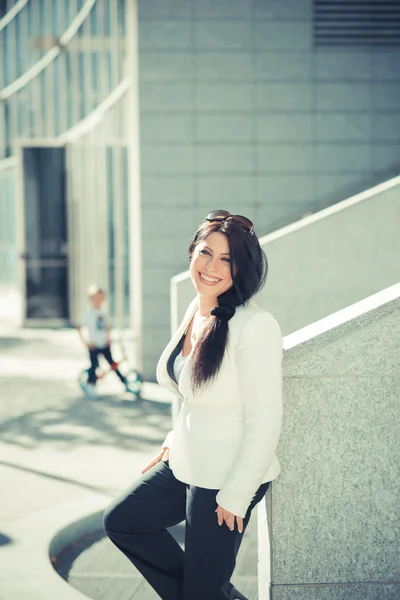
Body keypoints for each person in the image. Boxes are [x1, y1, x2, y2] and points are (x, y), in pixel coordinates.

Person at [103, 210, 283, 600]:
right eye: (206, 253)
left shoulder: (255, 326)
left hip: (226, 477)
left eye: (226, 259)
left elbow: (265, 418)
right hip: (187, 460)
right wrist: (174, 436)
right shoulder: (198, 309)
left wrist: (237, 493)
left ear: (242, 268)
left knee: (202, 592)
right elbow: (193, 391)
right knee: (123, 521)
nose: (212, 267)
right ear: (191, 254)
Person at [77, 285, 130, 398]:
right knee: (94, 366)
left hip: (104, 344)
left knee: (113, 364)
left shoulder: (103, 312)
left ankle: (125, 382)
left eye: (100, 298)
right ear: (91, 299)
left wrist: (108, 338)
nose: (98, 300)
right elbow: (79, 327)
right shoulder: (88, 314)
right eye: (96, 298)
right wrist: (86, 342)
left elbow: (106, 327)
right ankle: (91, 385)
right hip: (93, 345)